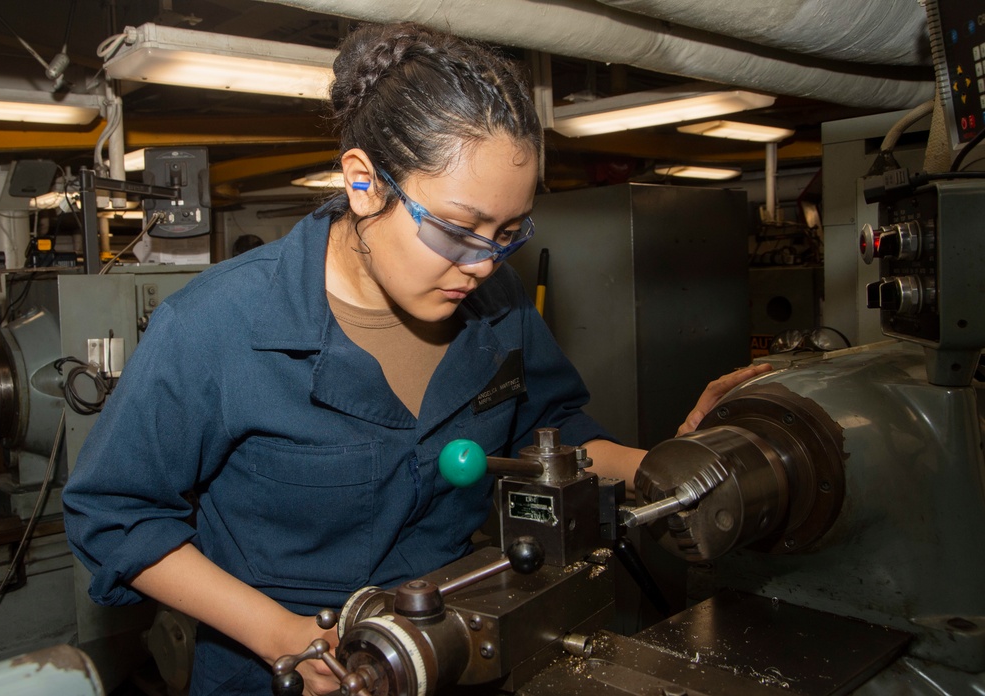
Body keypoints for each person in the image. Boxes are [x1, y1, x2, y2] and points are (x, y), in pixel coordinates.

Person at [63, 21, 769, 696]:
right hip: (279, 669)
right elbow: (114, 512)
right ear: (364, 183)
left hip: (457, 644)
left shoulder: (500, 306)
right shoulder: (216, 326)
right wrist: (280, 634)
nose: (485, 265)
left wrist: (666, 471)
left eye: (509, 234)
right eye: (460, 231)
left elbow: (553, 432)